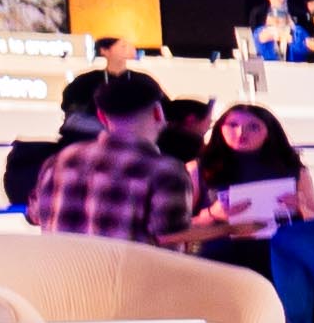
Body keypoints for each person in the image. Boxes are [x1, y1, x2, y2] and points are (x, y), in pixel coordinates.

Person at [177, 104, 314, 323]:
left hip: (274, 262)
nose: (241, 133)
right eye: (233, 125)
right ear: (220, 129)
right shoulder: (198, 170)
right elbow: (179, 228)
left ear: (269, 132)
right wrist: (213, 214)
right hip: (219, 265)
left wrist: (301, 206)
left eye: (253, 127)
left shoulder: (292, 170)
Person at [18, 74, 192, 246]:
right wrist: (209, 224)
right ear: (158, 112)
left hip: (62, 265)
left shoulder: (59, 161)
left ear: (101, 115)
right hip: (127, 266)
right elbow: (169, 235)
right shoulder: (166, 171)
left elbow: (34, 215)